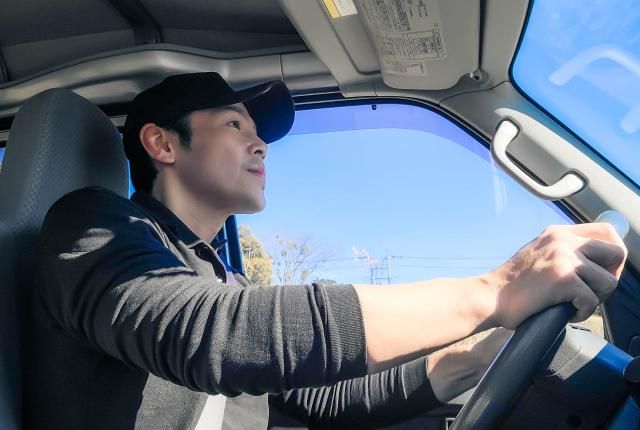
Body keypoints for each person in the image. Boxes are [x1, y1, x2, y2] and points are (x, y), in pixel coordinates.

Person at [24, 72, 627, 430]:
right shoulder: (90, 227)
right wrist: (496, 290)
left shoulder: (220, 278)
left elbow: (329, 399)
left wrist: (479, 353)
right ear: (162, 144)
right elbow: (214, 339)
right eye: (235, 125)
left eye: (256, 132)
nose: (261, 144)